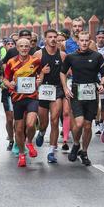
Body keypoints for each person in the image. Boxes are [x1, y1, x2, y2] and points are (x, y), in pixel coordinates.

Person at [61, 31, 104, 166]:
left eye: (87, 40)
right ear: (78, 42)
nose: (84, 43)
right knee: (79, 123)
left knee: (87, 126)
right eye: (82, 40)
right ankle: (76, 144)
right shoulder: (71, 57)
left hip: (92, 93)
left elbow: (103, 75)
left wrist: (102, 84)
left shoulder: (97, 56)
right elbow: (62, 73)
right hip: (77, 92)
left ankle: (84, 151)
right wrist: (65, 88)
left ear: (90, 41)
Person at [4, 37, 42, 167]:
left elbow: (41, 73)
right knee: (19, 129)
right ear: (17, 47)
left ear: (30, 47)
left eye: (26, 46)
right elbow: (5, 79)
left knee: (31, 124)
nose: (24, 48)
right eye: (21, 46)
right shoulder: (11, 62)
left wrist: (39, 80)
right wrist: (11, 84)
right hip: (17, 99)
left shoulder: (35, 61)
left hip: (32, 97)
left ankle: (29, 142)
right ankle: (21, 154)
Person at [33, 29, 67, 163]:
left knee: (54, 120)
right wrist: (41, 73)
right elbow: (32, 73)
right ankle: (41, 133)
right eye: (50, 37)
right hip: (43, 89)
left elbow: (66, 72)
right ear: (45, 39)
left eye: (55, 37)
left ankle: (52, 151)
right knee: (43, 123)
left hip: (57, 89)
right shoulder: (38, 54)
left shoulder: (63, 55)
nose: (53, 39)